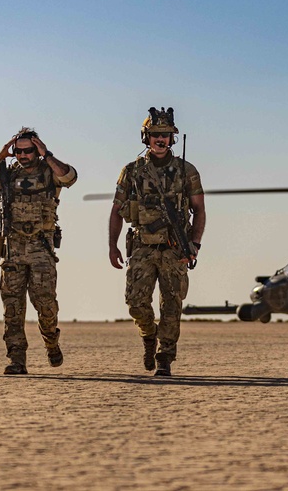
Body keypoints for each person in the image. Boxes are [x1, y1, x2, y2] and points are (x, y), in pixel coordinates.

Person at [109, 107, 206, 377]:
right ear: (146, 138)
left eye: (165, 135)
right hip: (142, 246)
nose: (160, 139)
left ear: (172, 138)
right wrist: (112, 245)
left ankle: (165, 356)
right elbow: (117, 210)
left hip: (176, 248)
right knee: (135, 302)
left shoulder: (186, 171)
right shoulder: (131, 171)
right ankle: (149, 335)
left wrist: (194, 244)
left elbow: (199, 209)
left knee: (172, 305)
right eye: (155, 135)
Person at [0, 128, 77, 374]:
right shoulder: (6, 175)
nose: (22, 155)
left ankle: (51, 342)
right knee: (12, 310)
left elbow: (69, 177)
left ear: (37, 150)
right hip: (13, 251)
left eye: (28, 150)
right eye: (18, 151)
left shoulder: (50, 172)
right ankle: (17, 360)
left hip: (41, 251)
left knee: (46, 306)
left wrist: (47, 154)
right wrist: (0, 155)